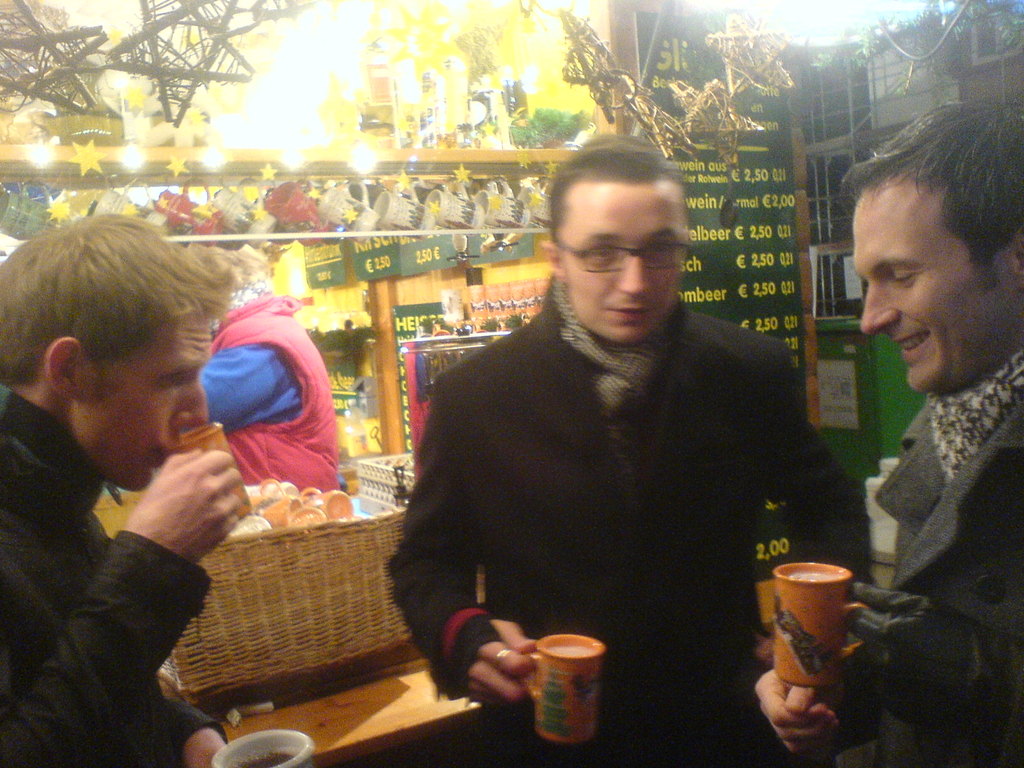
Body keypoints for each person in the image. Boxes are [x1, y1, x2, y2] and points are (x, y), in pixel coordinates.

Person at [389, 133, 870, 767]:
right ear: (556, 258)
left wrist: (804, 639)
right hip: (551, 731)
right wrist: (466, 639)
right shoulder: (476, 394)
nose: (635, 282)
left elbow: (831, 510)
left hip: (721, 724)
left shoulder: (746, 370)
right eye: (601, 254)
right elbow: (426, 563)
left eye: (660, 250)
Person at [756, 100, 1024, 766]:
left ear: (1018, 258)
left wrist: (958, 667)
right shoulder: (946, 430)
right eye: (866, 282)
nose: (871, 318)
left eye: (900, 276)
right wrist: (827, 692)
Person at [0, 215, 246, 767]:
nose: (200, 410)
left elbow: (60, 673)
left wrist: (184, 730)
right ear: (70, 371)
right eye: (174, 378)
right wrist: (149, 567)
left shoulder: (54, 489)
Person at [197, 244, 339, 491]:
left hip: (281, 501)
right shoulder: (263, 326)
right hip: (285, 491)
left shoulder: (257, 345)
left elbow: (187, 410)